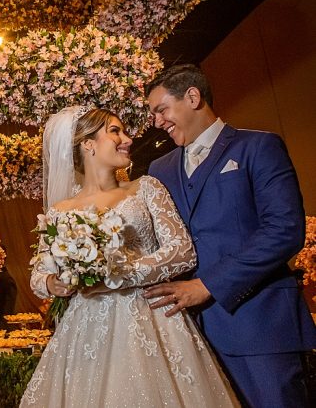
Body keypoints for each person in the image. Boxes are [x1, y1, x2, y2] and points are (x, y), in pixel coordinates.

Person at [21, 106, 237, 407]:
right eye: (115, 131)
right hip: (85, 330)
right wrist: (54, 283)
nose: (127, 139)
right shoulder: (60, 212)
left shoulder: (145, 188)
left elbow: (182, 251)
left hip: (152, 317)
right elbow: (38, 276)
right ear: (88, 144)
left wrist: (115, 274)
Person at [144, 64, 316, 407]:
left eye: (161, 109)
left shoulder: (258, 146)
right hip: (189, 335)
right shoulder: (158, 169)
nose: (156, 122)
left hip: (259, 326)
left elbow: (284, 230)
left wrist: (208, 285)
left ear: (193, 97)